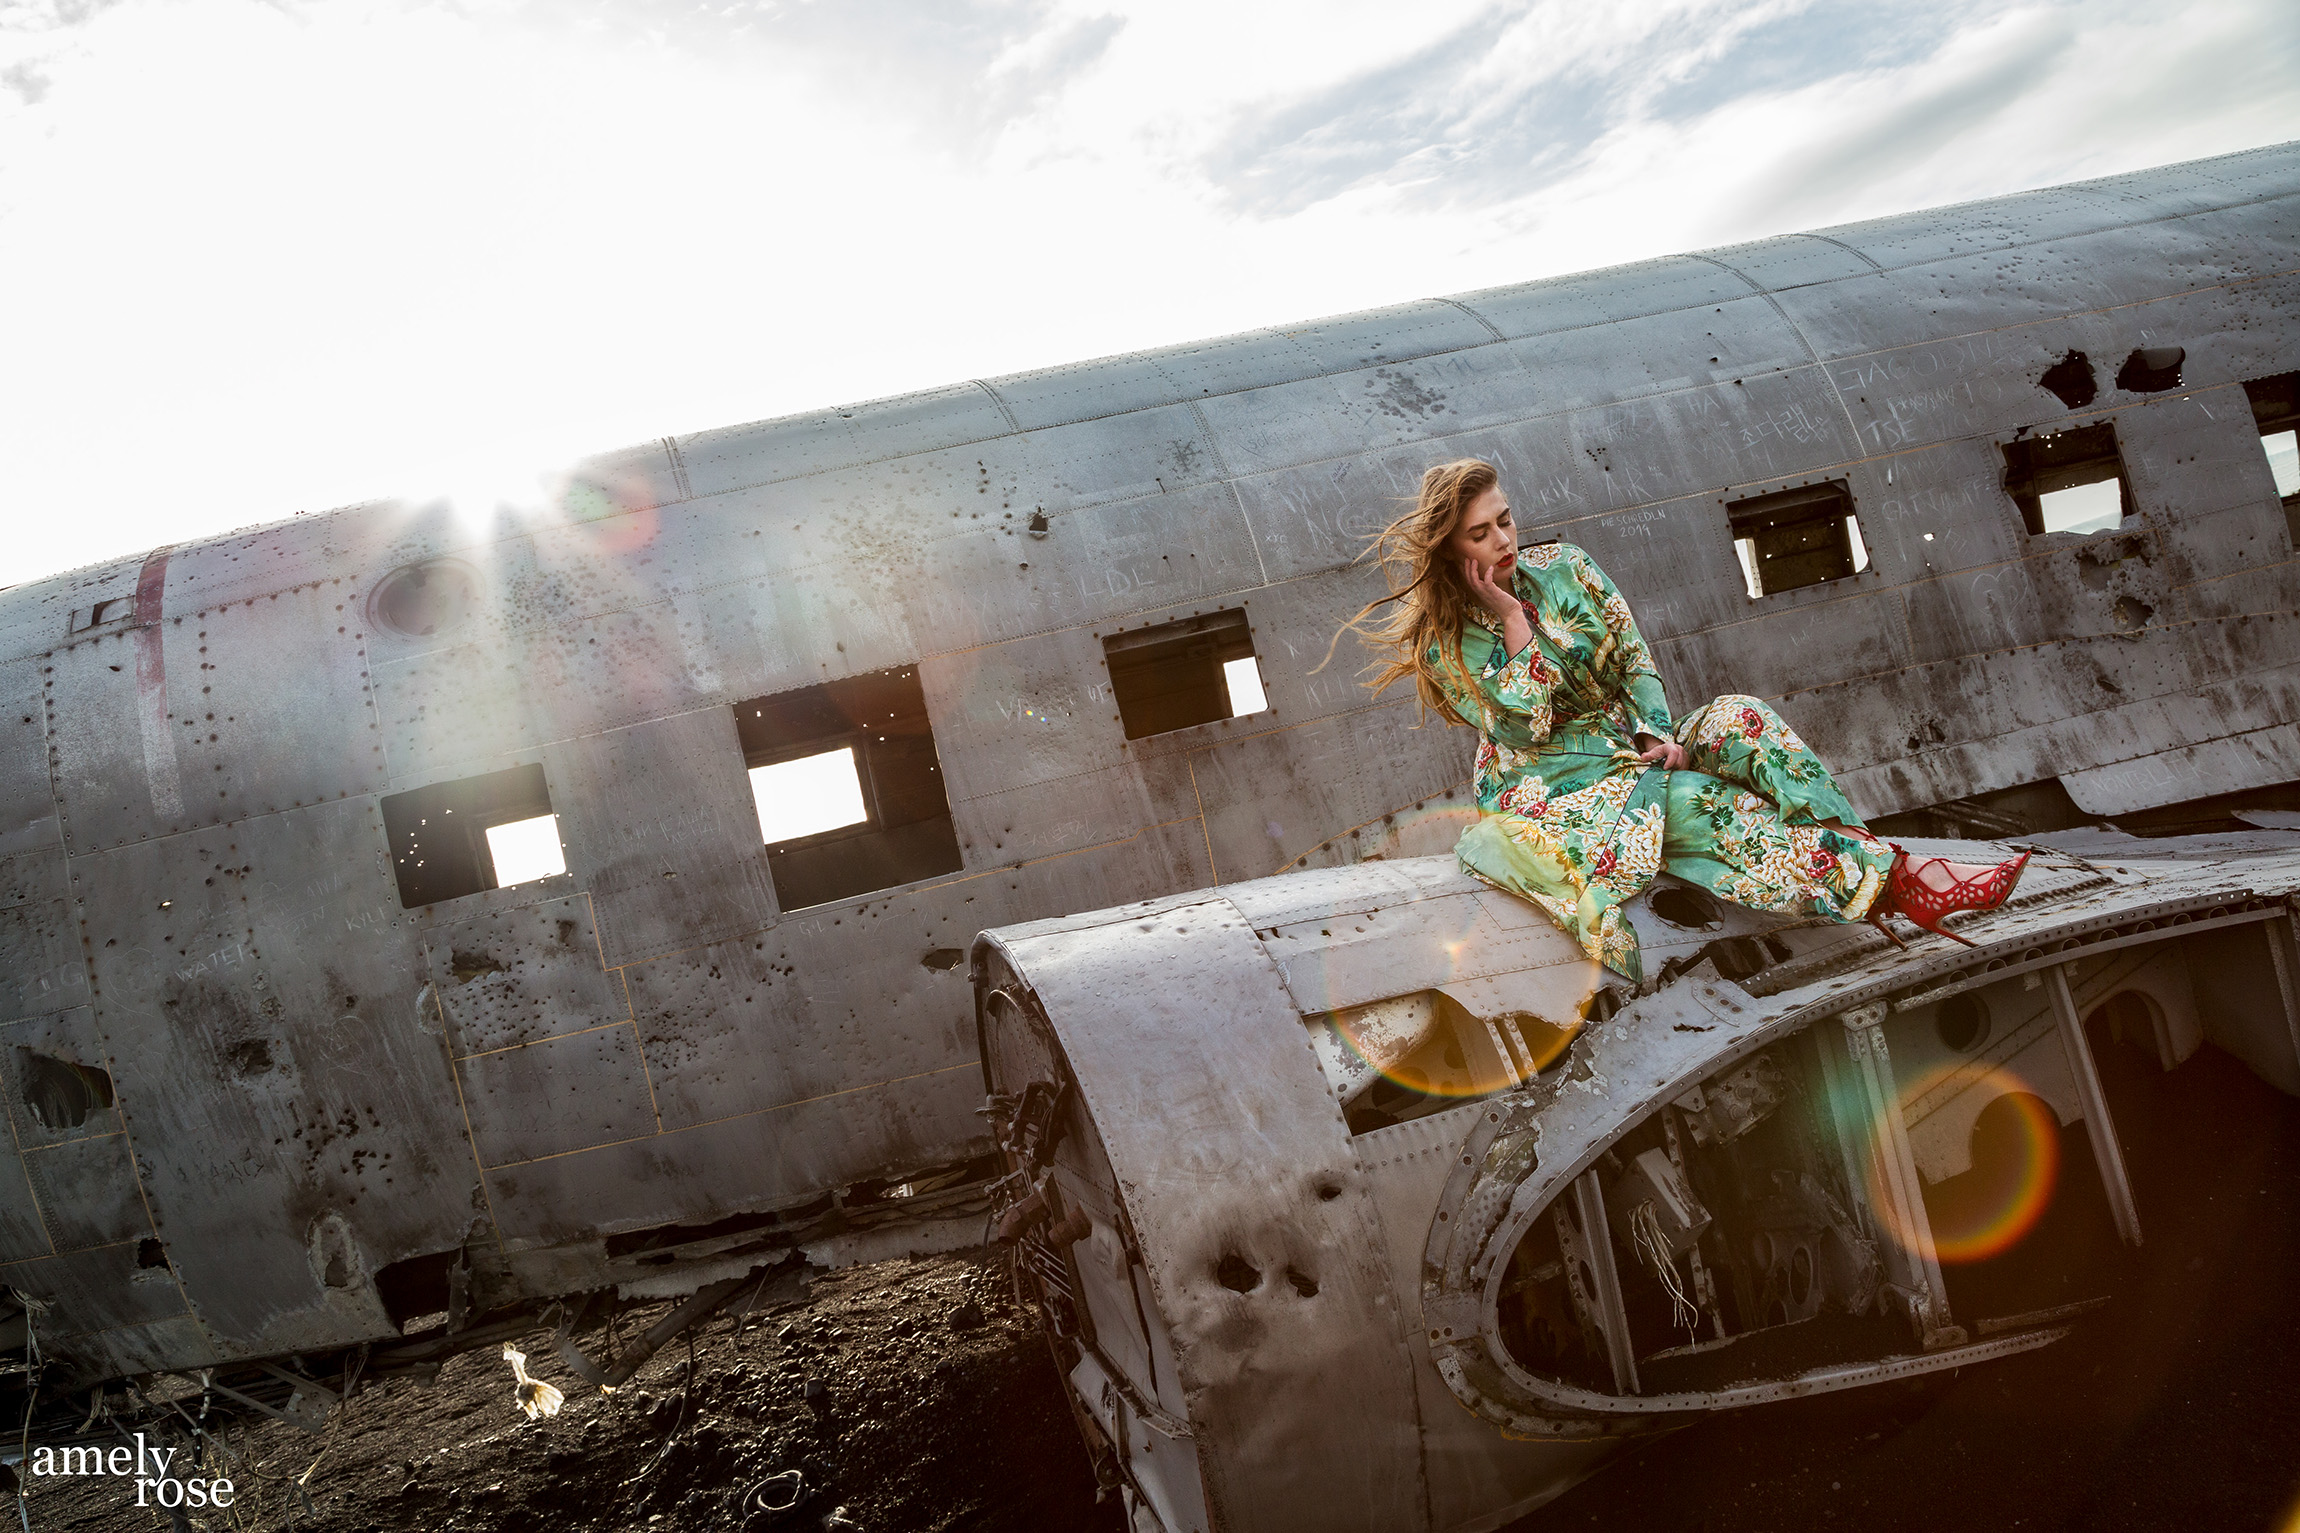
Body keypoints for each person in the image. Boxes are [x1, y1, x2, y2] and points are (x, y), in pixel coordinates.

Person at [1337, 458, 2028, 983]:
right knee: (1704, 804)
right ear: (1454, 548)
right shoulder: (1447, 643)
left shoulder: (1568, 568)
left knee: (1741, 721)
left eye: (1506, 521)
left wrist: (1656, 732)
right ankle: (1901, 884)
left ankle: (1848, 848)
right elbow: (1525, 726)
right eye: (1481, 534)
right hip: (1551, 785)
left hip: (1625, 742)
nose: (1503, 541)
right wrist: (1515, 622)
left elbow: (1633, 655)